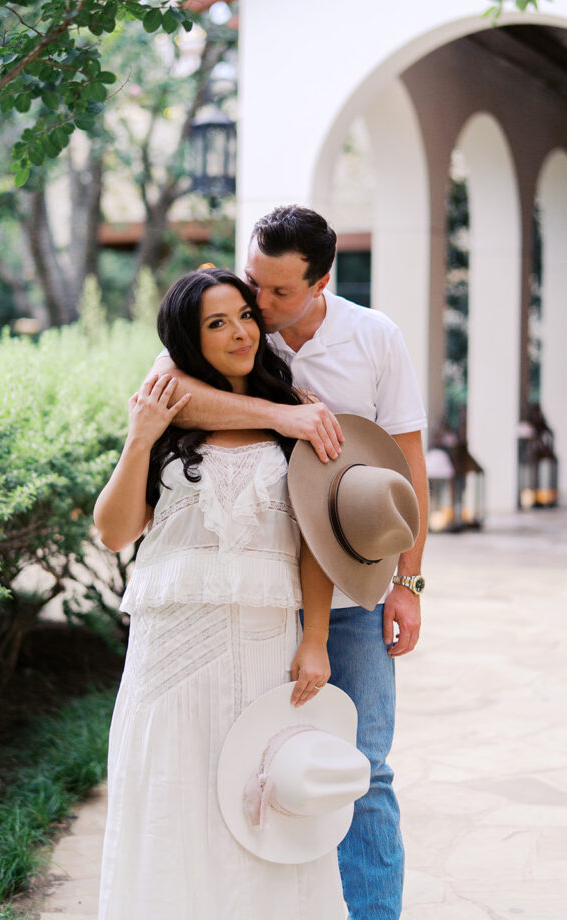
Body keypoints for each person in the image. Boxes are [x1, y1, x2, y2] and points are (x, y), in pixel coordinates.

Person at [154, 207, 429, 920]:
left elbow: (408, 470)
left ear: (322, 283)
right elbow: (166, 396)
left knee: (360, 769)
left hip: (352, 590)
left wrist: (409, 582)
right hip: (257, 595)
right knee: (252, 768)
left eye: (279, 294)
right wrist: (286, 416)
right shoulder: (227, 328)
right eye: (254, 284)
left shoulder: (374, 339)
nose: (260, 308)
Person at [93, 267, 345, 920]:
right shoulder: (166, 408)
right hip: (169, 649)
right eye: (215, 323)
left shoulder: (299, 416)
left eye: (244, 316)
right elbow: (114, 531)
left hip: (264, 645)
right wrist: (140, 438)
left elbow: (318, 542)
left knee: (256, 800)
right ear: (188, 338)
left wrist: (314, 638)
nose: (239, 332)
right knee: (170, 796)